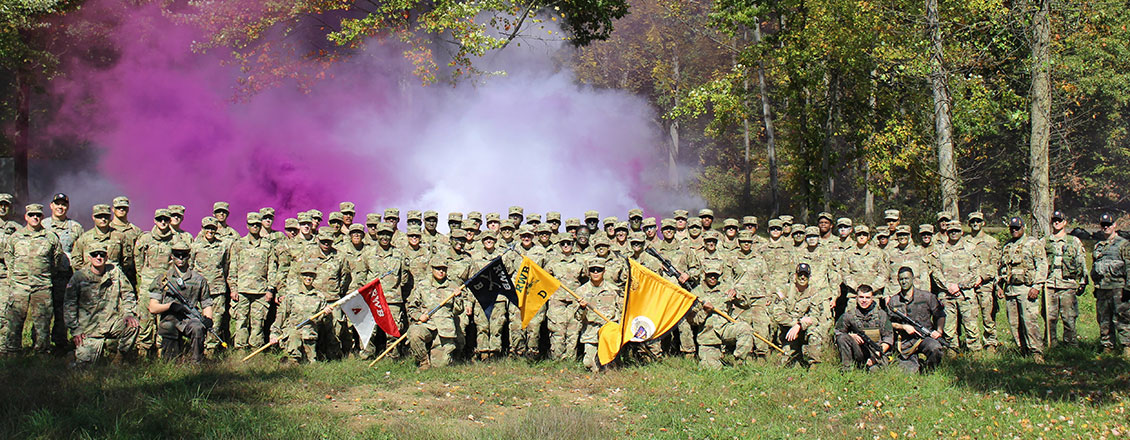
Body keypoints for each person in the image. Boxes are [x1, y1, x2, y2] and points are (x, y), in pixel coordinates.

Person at [1, 204, 64, 355]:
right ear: (26, 217)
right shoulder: (15, 237)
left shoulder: (50, 237)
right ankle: (12, 351)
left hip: (41, 286)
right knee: (15, 320)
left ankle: (42, 352)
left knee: (42, 322)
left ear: (42, 217)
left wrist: (45, 275)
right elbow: (9, 258)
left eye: (38, 215)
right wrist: (16, 275)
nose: (35, 217)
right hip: (19, 286)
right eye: (31, 215)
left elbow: (56, 259)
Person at [64, 242, 139, 366]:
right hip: (90, 330)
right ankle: (73, 355)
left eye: (102, 255)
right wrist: (75, 330)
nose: (99, 257)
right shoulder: (79, 277)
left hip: (111, 323)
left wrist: (128, 313)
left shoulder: (115, 273)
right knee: (84, 367)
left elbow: (128, 295)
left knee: (133, 325)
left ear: (106, 257)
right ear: (89, 258)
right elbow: (69, 305)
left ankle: (119, 358)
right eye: (95, 255)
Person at [147, 239, 213, 363]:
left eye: (184, 255)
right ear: (172, 256)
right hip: (170, 318)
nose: (181, 258)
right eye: (177, 254)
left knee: (198, 328)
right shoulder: (162, 279)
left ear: (189, 256)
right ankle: (172, 364)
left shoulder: (199, 279)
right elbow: (153, 307)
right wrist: (171, 306)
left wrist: (208, 319)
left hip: (190, 318)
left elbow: (206, 303)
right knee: (168, 332)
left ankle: (196, 365)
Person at [996, 217, 1047, 362]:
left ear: (1023, 227)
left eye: (1017, 228)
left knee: (1029, 322)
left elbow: (1042, 266)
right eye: (1012, 228)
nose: (1014, 230)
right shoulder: (1007, 246)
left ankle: (1036, 352)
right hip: (1011, 289)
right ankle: (1023, 350)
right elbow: (1002, 268)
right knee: (1014, 323)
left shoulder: (1032, 243)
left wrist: (1037, 286)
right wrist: (1000, 285)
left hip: (1027, 289)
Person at [354, 223, 408, 359]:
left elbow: (404, 278)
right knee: (369, 330)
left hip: (392, 299)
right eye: (382, 234)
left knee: (392, 329)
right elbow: (361, 276)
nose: (385, 237)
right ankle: (367, 355)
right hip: (373, 299)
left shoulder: (399, 254)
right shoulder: (368, 254)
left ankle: (392, 357)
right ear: (376, 235)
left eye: (388, 234)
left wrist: (393, 289)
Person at [931, 221, 983, 353]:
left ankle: (975, 352)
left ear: (962, 232)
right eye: (951, 231)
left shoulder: (970, 248)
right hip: (946, 295)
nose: (954, 233)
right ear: (947, 232)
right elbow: (935, 271)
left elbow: (974, 271)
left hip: (965, 294)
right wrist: (947, 285)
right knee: (948, 328)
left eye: (957, 231)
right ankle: (952, 351)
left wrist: (959, 286)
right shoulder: (939, 250)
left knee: (971, 326)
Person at [690, 262, 753, 368]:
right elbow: (692, 320)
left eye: (716, 275)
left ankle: (739, 364)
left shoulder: (726, 288)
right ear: (704, 275)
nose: (713, 277)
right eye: (710, 275)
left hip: (725, 329)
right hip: (708, 337)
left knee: (745, 329)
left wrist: (737, 296)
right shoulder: (696, 293)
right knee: (711, 370)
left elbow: (746, 305)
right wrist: (705, 311)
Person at [228, 212, 276, 351]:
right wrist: (233, 288)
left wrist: (270, 289)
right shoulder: (239, 245)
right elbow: (233, 268)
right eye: (252, 224)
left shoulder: (267, 245)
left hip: (260, 291)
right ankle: (241, 349)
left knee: (258, 322)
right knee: (241, 320)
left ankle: (256, 349)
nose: (255, 227)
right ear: (247, 225)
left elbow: (272, 269)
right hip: (242, 290)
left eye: (257, 224)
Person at [44, 193, 85, 351]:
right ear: (51, 206)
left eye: (64, 205)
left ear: (67, 207)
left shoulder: (75, 227)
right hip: (45, 276)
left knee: (62, 310)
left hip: (66, 275)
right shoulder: (43, 225)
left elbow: (82, 249)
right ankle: (40, 343)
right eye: (57, 204)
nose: (60, 207)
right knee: (43, 310)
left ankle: (60, 343)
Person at [887, 266, 945, 373]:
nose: (904, 282)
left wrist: (939, 331)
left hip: (925, 337)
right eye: (901, 279)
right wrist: (903, 327)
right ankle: (917, 364)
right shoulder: (894, 301)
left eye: (907, 278)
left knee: (935, 348)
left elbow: (940, 314)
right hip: (905, 342)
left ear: (913, 279)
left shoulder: (927, 297)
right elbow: (888, 323)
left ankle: (929, 370)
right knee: (908, 371)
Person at [408, 256, 460, 369]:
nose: (441, 271)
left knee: (440, 365)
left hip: (445, 329)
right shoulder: (422, 285)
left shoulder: (453, 286)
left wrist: (458, 297)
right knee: (414, 333)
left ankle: (436, 355)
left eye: (444, 269)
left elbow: (458, 311)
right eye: (438, 268)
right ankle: (423, 361)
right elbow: (411, 307)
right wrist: (419, 316)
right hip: (427, 325)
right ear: (432, 269)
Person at [1044, 211, 1088, 346]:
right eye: (1054, 220)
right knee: (1050, 317)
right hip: (1050, 284)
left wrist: (1083, 281)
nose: (1056, 223)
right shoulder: (1045, 241)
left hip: (1068, 285)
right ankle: (1051, 343)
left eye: (1059, 220)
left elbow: (1081, 261)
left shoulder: (1073, 241)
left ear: (1064, 222)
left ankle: (1071, 344)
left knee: (1069, 317)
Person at [269, 263, 327, 364]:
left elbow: (320, 321)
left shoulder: (319, 297)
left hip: (309, 336)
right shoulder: (291, 295)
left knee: (311, 364)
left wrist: (325, 313)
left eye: (311, 276)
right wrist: (274, 334)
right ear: (301, 277)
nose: (308, 278)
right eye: (306, 275)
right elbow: (281, 315)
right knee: (293, 357)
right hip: (292, 335)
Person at [771, 263, 825, 367]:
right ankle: (796, 354)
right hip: (789, 331)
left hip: (805, 330)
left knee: (815, 333)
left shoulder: (814, 293)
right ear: (795, 276)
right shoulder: (785, 290)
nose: (803, 277)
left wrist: (800, 325)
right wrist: (795, 323)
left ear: (809, 277)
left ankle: (815, 365)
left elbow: (816, 317)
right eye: (800, 274)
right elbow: (778, 314)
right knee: (787, 363)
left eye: (805, 275)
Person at [1091, 213, 1130, 356]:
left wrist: (1128, 288)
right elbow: (1095, 267)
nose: (1106, 227)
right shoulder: (1098, 246)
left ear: (1115, 226)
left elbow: (1129, 266)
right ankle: (1107, 347)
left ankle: (1127, 347)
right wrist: (1095, 284)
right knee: (1104, 319)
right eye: (1103, 225)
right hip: (1102, 288)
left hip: (1118, 288)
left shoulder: (1124, 244)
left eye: (1108, 224)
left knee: (1123, 318)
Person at [191, 217, 231, 353]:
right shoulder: (195, 246)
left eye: (213, 228)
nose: (210, 231)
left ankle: (211, 351)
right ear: (202, 229)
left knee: (217, 321)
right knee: (198, 320)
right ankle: (198, 349)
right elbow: (190, 267)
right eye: (207, 228)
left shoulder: (222, 246)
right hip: (199, 291)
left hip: (217, 289)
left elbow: (226, 266)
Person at [576, 257, 621, 372]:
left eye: (599, 270)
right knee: (589, 365)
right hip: (590, 332)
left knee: (610, 368)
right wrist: (582, 308)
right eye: (592, 270)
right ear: (588, 272)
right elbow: (577, 317)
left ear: (604, 271)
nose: (595, 272)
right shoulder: (581, 292)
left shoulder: (614, 290)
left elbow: (621, 312)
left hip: (608, 332)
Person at [834, 285, 892, 372]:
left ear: (872, 298)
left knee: (874, 371)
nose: (864, 300)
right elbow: (838, 332)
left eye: (867, 298)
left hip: (877, 353)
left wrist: (877, 355)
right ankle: (847, 369)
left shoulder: (881, 314)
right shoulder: (849, 315)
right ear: (856, 298)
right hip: (860, 351)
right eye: (861, 297)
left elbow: (888, 338)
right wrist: (851, 336)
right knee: (842, 338)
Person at [965, 212, 1001, 351]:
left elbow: (995, 264)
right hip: (969, 285)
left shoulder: (991, 242)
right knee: (970, 316)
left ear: (983, 223)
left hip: (985, 284)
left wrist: (982, 277)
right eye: (972, 221)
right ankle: (974, 344)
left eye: (978, 221)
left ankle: (991, 342)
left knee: (988, 316)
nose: (975, 224)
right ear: (969, 224)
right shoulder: (964, 241)